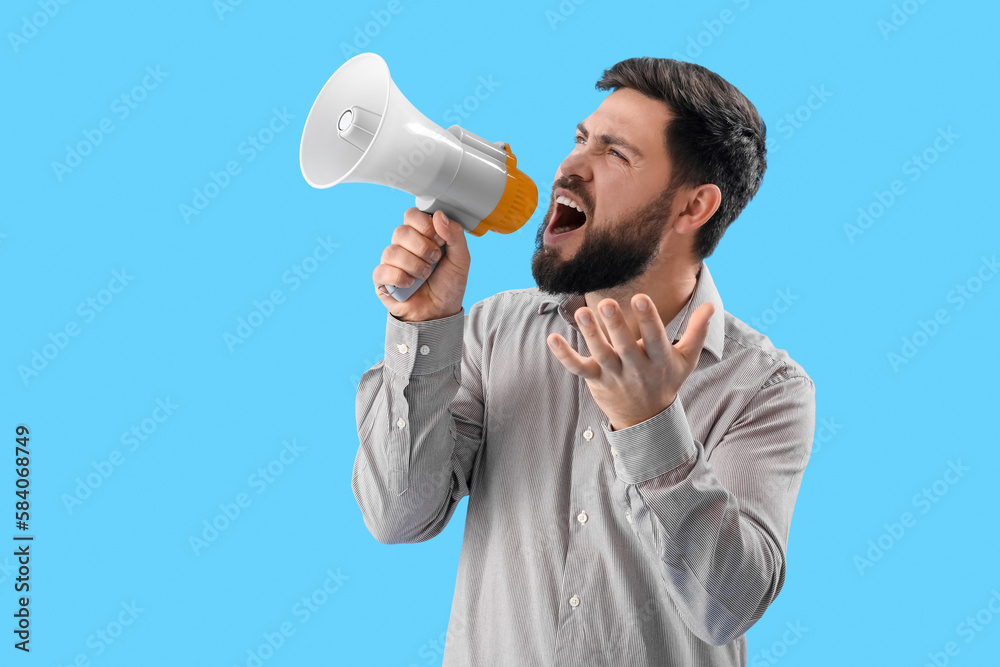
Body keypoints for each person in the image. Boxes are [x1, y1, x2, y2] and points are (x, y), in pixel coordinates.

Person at [355, 56, 815, 666]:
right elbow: (398, 515)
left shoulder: (764, 388)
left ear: (694, 207)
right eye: (580, 139)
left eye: (615, 154)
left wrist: (651, 425)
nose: (569, 168)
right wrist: (424, 327)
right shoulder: (493, 330)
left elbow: (726, 606)